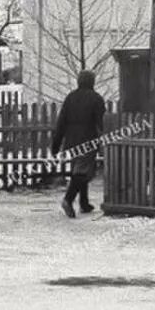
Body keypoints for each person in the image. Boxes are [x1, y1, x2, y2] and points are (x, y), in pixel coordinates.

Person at [50, 70, 105, 218]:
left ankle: (84, 203)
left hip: (71, 141)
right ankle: (68, 200)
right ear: (92, 81)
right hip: (88, 140)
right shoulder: (96, 99)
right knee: (82, 172)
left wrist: (56, 145)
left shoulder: (70, 98)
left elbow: (61, 122)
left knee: (78, 170)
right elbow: (101, 123)